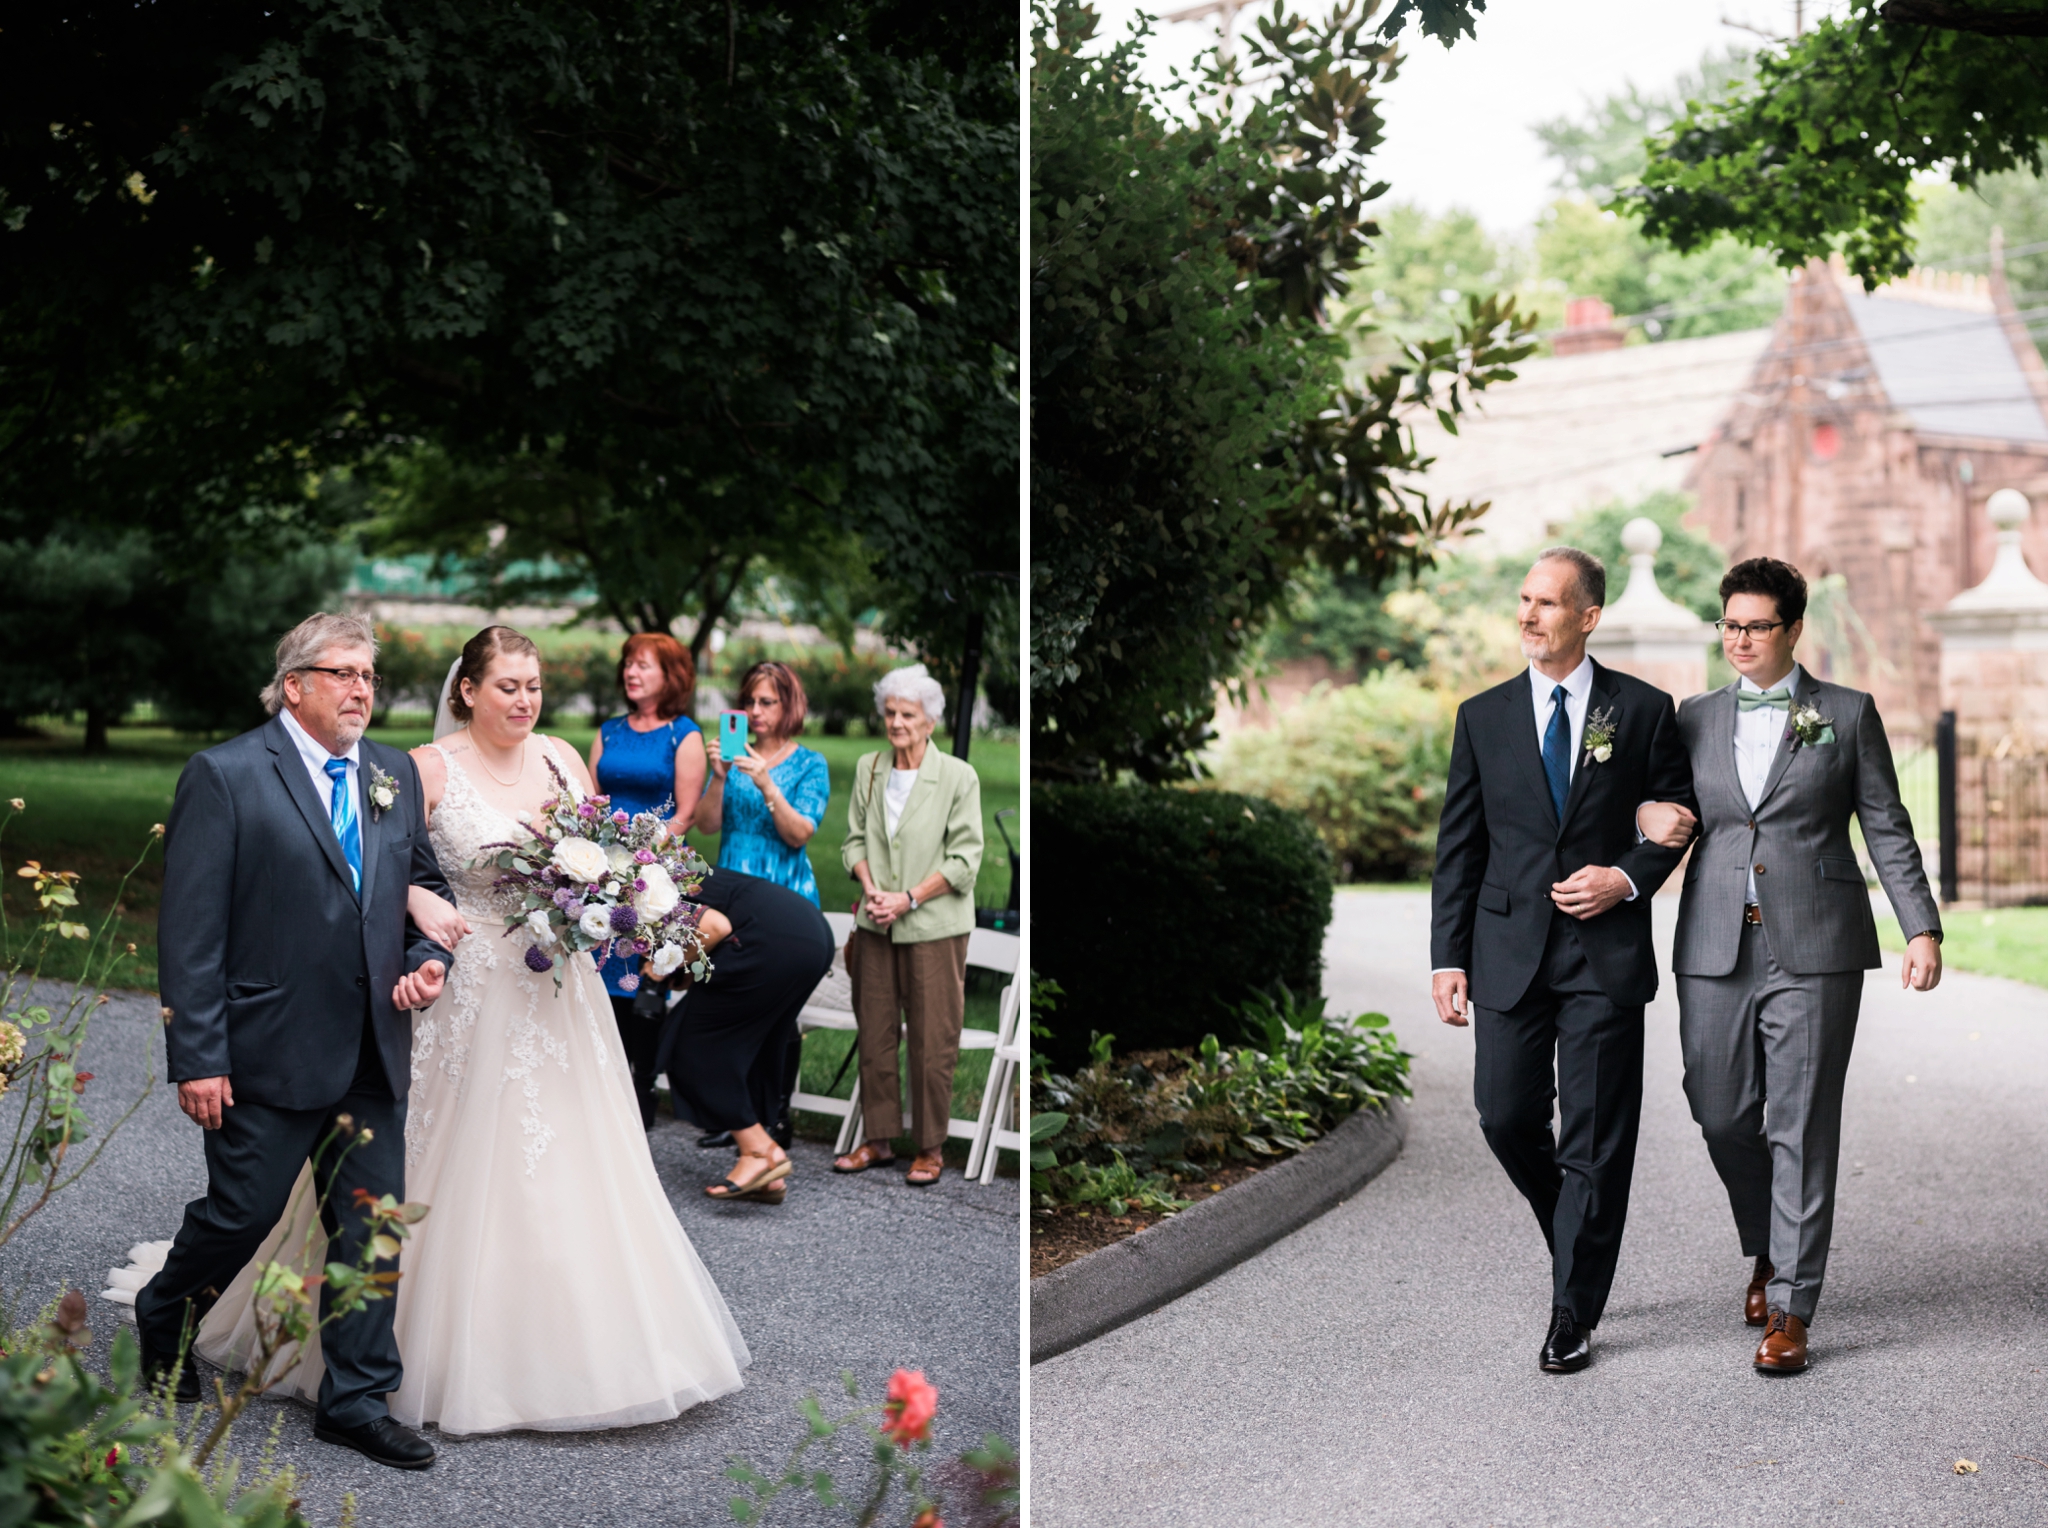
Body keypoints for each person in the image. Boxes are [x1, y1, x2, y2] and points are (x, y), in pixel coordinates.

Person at [179, 624, 750, 1437]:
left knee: (576, 1160)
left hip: (561, 989)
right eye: (509, 685)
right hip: (464, 988)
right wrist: (425, 911)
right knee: (422, 1175)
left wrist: (626, 908)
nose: (525, 700)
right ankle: (366, 1354)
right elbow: (391, 871)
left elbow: (601, 854)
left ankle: (555, 1353)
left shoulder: (560, 757)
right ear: (468, 691)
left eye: (535, 685)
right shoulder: (420, 770)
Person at [138, 613, 453, 1470]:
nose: (361, 689)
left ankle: (354, 1400)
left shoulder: (390, 773)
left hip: (373, 1045)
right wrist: (199, 1057)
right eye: (343, 673)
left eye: (369, 676)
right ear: (294, 686)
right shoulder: (228, 774)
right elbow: (190, 933)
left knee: (372, 1226)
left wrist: (429, 963)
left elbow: (419, 886)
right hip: (268, 1047)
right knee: (241, 1213)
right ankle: (166, 1309)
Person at [1636, 558, 1943, 1375]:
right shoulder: (1693, 718)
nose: (1739, 639)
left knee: (1800, 1124)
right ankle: (1767, 1246)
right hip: (1712, 941)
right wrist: (1645, 815)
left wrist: (1920, 928)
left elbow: (1887, 825)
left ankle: (1793, 1307)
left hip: (1815, 947)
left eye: (1756, 625)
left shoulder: (1846, 712)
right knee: (1719, 1108)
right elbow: (1660, 807)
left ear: (1794, 629)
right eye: (1728, 624)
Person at [1429, 549, 1695, 1374]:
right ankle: (1576, 1234)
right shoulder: (1482, 716)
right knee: (1505, 1117)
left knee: (1594, 1142)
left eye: (1548, 603)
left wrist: (1623, 878)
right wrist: (1448, 957)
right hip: (1507, 953)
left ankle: (1572, 1311)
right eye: (1524, 600)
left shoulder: (1645, 710)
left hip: (1603, 957)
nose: (1529, 615)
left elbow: (1680, 817)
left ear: (1588, 617)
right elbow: (1459, 847)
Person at [831, 665, 984, 1188]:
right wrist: (872, 887)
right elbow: (852, 841)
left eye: (907, 714)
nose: (896, 722)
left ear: (930, 722)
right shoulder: (870, 768)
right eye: (890, 712)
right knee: (874, 1034)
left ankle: (929, 1148)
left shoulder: (959, 777)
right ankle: (877, 1140)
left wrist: (908, 898)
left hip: (935, 927)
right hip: (875, 924)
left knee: (931, 1040)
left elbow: (966, 861)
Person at [695, 659, 831, 1148]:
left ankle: (775, 1115)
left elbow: (800, 834)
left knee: (777, 1011)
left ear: (789, 705)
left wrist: (767, 783)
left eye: (766, 702)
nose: (754, 711)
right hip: (732, 891)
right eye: (748, 701)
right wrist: (718, 776)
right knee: (730, 998)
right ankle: (735, 1116)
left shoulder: (810, 764)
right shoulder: (733, 761)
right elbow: (707, 825)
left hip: (784, 893)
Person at [654, 868, 837, 1202]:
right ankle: (767, 1176)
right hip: (811, 933)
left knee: (691, 1047)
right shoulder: (665, 865)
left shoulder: (635, 885)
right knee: (753, 1047)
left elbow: (715, 927)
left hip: (772, 938)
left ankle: (760, 1152)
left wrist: (662, 968)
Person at [588, 632, 709, 1127]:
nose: (631, 673)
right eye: (629, 665)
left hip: (650, 876)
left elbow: (686, 813)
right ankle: (597, 1088)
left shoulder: (684, 734)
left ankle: (640, 1094)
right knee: (598, 975)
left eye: (644, 666)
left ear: (671, 677)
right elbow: (592, 798)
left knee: (640, 984)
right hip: (598, 872)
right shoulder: (609, 731)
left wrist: (640, 858)